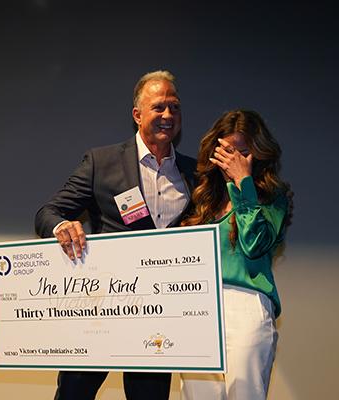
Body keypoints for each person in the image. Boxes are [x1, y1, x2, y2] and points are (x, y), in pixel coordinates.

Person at [35, 70, 197, 400]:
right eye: (159, 107)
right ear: (137, 115)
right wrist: (61, 227)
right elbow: (46, 214)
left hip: (158, 317)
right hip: (102, 311)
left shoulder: (194, 173)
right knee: (73, 396)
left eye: (175, 107)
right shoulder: (102, 162)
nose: (168, 115)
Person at [180, 110, 293, 400]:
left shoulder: (271, 195)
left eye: (243, 153)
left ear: (258, 153)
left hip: (245, 303)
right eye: (228, 152)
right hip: (199, 307)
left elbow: (254, 243)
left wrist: (244, 183)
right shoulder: (205, 197)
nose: (234, 161)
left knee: (244, 394)